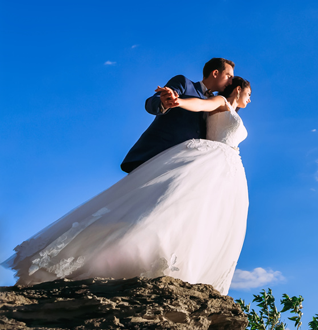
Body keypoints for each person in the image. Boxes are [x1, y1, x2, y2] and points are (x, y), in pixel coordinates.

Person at [2, 77, 253, 295]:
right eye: (249, 94)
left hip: (223, 171)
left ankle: (185, 267)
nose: (250, 100)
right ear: (239, 89)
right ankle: (128, 257)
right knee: (166, 208)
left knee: (199, 217)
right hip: (206, 161)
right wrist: (176, 101)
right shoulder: (218, 101)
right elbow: (198, 104)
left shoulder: (223, 106)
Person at [120, 58, 235, 173]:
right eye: (229, 76)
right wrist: (164, 102)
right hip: (156, 155)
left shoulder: (216, 104)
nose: (230, 82)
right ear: (215, 73)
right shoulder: (184, 83)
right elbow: (152, 101)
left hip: (185, 166)